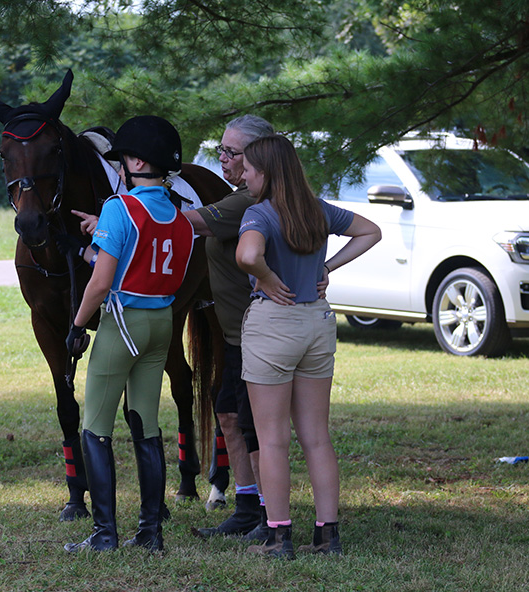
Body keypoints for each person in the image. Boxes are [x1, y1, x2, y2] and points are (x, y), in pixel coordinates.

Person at [235, 134, 381, 559]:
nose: (243, 176)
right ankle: (326, 535)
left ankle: (280, 537)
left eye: (248, 169)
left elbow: (246, 255)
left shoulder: (258, 214)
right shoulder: (316, 210)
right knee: (316, 437)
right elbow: (370, 231)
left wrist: (263, 275)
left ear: (266, 172)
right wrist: (327, 267)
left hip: (274, 325)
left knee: (273, 439)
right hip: (317, 322)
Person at [63, 115, 194, 553]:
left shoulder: (119, 209)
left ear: (136, 162)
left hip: (123, 325)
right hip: (161, 323)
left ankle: (104, 534)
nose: (119, 168)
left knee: (96, 426)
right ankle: (150, 533)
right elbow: (137, 260)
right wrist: (90, 244)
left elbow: (101, 283)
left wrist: (79, 323)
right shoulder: (180, 219)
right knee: (145, 423)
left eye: (122, 160)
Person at [185, 115, 275, 540]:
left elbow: (191, 224)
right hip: (235, 335)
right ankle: (246, 503)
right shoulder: (242, 196)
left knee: (253, 425)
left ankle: (269, 515)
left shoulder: (247, 203)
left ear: (257, 156)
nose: (222, 159)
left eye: (231, 152)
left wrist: (118, 217)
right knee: (228, 412)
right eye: (220, 150)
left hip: (256, 335)